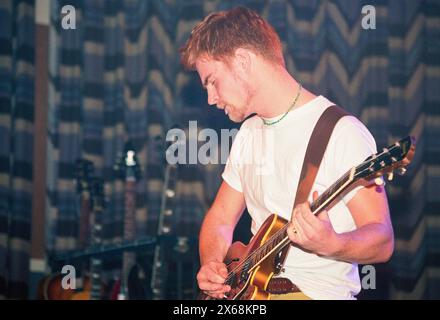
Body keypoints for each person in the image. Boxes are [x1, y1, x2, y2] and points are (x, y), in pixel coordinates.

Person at [179, 6, 394, 300]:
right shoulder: (249, 132)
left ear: (242, 61)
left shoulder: (341, 132)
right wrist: (213, 264)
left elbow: (382, 241)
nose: (210, 98)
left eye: (212, 81)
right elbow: (220, 217)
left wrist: (330, 243)